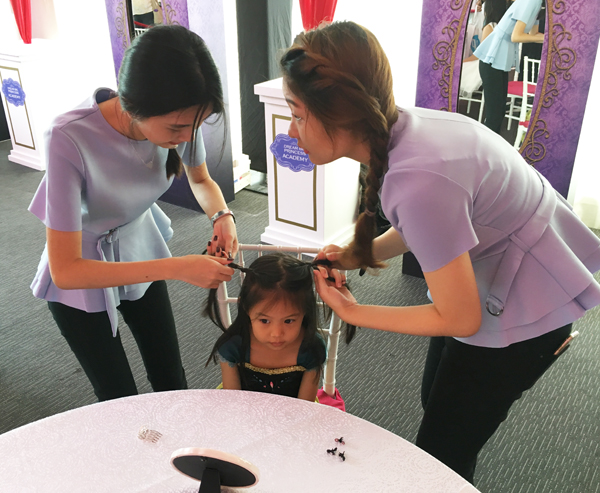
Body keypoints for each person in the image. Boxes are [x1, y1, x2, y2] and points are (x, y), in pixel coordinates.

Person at [279, 20, 600, 483]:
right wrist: (357, 253)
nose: (291, 131)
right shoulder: (404, 128)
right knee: (439, 403)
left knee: (441, 453)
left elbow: (461, 317)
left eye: (297, 113)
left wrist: (354, 312)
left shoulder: (417, 181)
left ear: (340, 113)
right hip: (492, 272)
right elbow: (434, 229)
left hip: (529, 303)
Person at [28, 25, 237, 402]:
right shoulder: (68, 137)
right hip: (81, 269)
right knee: (117, 396)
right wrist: (178, 267)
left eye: (195, 126)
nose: (187, 137)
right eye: (177, 128)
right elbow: (67, 270)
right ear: (130, 104)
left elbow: (202, 180)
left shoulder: (181, 120)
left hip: (139, 246)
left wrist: (222, 215)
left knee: (170, 377)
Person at [205, 253, 355, 402]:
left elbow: (304, 406)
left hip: (294, 415)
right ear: (245, 308)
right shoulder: (232, 346)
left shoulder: (311, 349)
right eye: (264, 320)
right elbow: (233, 402)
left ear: (305, 311)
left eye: (289, 321)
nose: (277, 334)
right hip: (243, 412)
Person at [474, 0, 544, 134]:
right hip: (491, 60)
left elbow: (533, 34)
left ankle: (491, 150)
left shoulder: (538, 4)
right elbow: (516, 36)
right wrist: (545, 39)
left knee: (500, 113)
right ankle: (483, 150)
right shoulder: (531, 1)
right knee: (494, 116)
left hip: (500, 62)